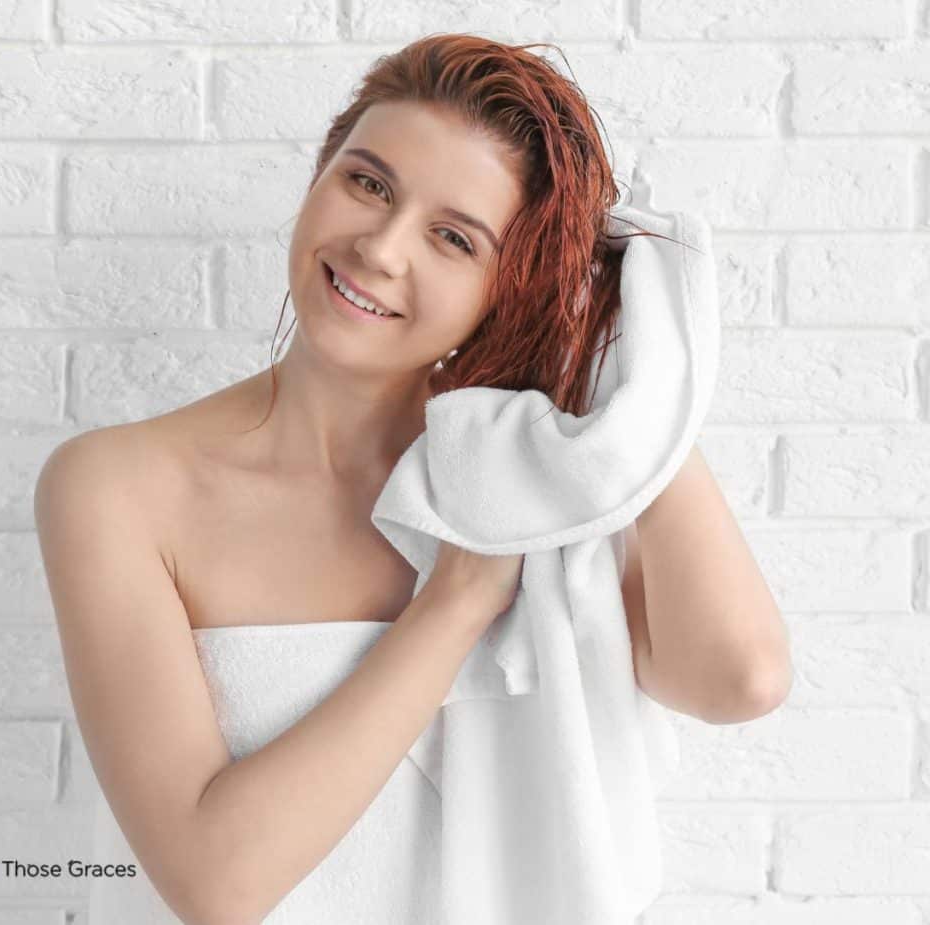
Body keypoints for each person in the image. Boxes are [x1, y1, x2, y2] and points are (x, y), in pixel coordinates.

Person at [34, 33, 665, 924]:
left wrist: (632, 361)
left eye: (453, 237)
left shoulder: (530, 480)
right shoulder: (115, 488)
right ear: (320, 175)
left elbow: (741, 678)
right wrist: (453, 606)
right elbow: (216, 883)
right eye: (368, 183)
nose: (380, 248)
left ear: (508, 287)